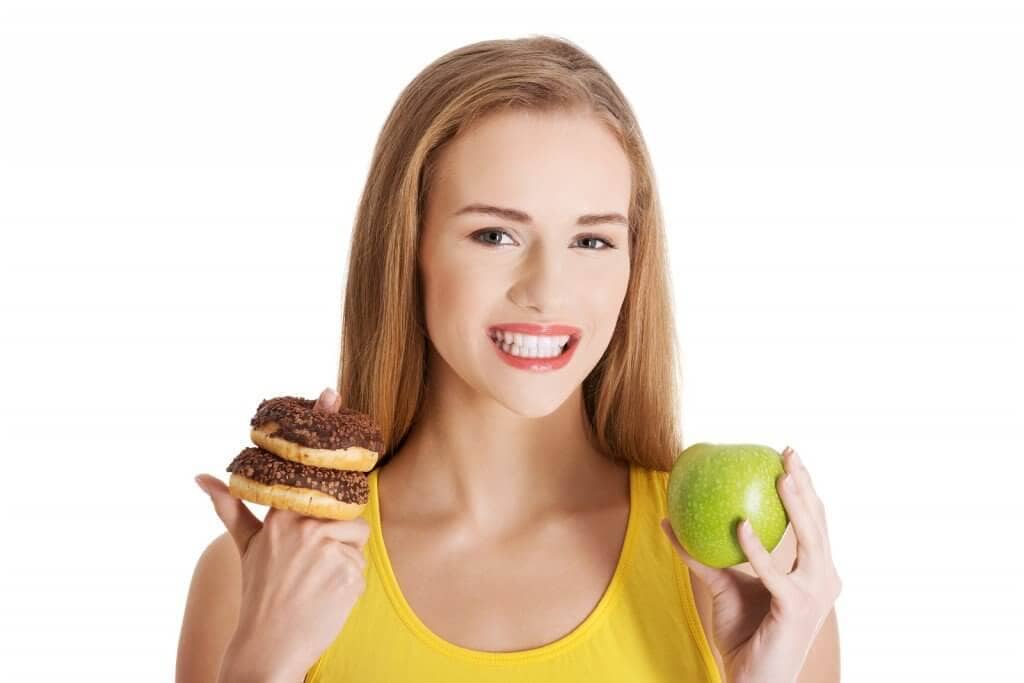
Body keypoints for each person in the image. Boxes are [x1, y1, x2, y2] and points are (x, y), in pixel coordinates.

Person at [177, 35, 842, 682]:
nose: (547, 288)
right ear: (408, 249)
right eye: (495, 234)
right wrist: (259, 669)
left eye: (591, 240)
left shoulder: (747, 578)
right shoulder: (264, 577)